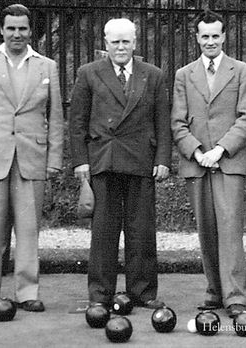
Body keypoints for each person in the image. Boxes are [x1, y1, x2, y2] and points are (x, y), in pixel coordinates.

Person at [0, 4, 64, 313]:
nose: (17, 33)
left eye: (22, 28)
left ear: (31, 31)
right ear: (1, 30)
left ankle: (28, 291)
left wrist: (54, 158)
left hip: (31, 158)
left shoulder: (47, 66)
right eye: (11, 28)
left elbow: (56, 117)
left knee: (29, 229)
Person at [69, 18, 171, 309]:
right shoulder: (88, 73)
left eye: (126, 41)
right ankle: (100, 295)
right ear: (106, 44)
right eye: (115, 42)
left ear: (136, 43)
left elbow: (162, 122)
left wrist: (163, 158)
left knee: (142, 231)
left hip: (141, 160)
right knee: (104, 232)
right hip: (104, 160)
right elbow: (77, 123)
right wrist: (80, 162)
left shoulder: (153, 75)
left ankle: (143, 293)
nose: (121, 47)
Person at [171, 10, 246, 318]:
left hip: (228, 162)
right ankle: (214, 291)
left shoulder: (242, 70)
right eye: (204, 36)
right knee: (206, 229)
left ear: (224, 37)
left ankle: (235, 296)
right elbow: (178, 122)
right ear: (197, 38)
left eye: (214, 35)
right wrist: (197, 152)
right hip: (197, 163)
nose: (209, 41)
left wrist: (220, 150)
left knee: (230, 228)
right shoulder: (184, 74)